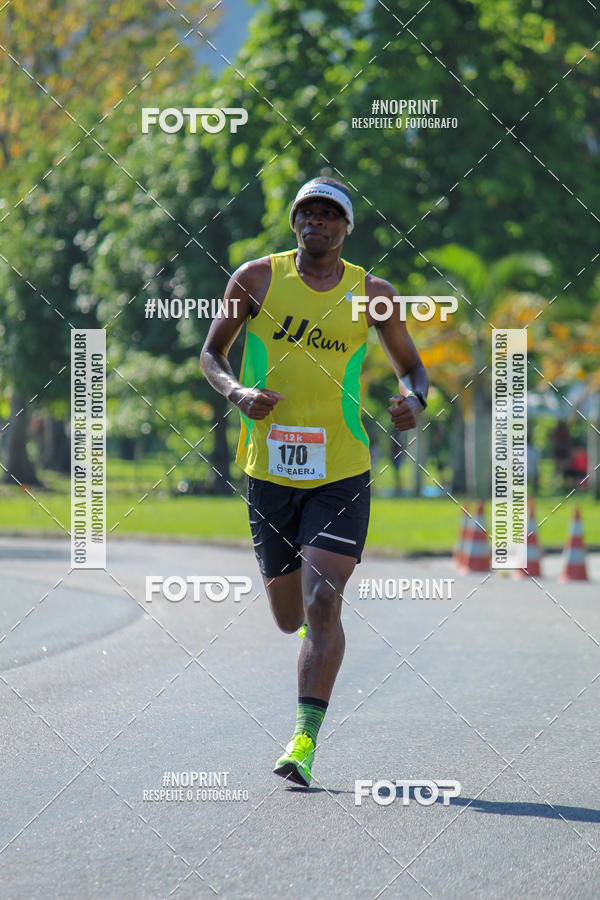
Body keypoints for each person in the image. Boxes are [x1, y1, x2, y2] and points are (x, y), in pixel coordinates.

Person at [200, 176, 428, 787]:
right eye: (308, 213)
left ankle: (303, 740)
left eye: (330, 216)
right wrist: (237, 392)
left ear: (346, 228)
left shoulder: (371, 293)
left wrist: (413, 399)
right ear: (295, 221)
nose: (317, 223)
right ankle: (315, 634)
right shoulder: (255, 280)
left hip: (343, 471)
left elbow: (413, 368)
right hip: (269, 472)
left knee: (324, 598)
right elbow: (211, 355)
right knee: (287, 615)